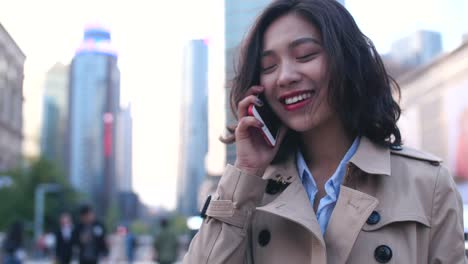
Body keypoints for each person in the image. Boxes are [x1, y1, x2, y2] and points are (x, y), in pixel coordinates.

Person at [183, 0, 466, 263]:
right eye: (268, 67)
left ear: (347, 60)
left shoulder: (428, 183)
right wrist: (246, 171)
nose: (285, 76)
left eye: (305, 55)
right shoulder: (249, 189)